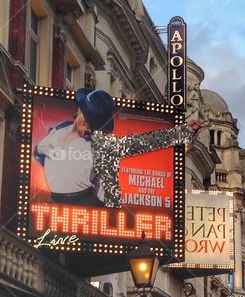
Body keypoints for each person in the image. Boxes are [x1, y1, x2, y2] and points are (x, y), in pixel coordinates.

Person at [34, 89, 202, 208]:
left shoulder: (100, 145)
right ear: (79, 111)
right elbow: (39, 150)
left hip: (83, 204)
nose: (89, 129)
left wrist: (182, 132)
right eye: (87, 122)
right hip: (54, 201)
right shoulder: (57, 129)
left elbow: (142, 142)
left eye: (94, 126)